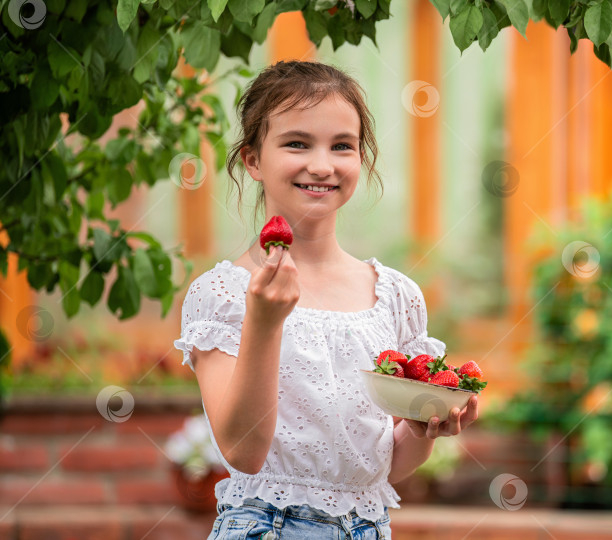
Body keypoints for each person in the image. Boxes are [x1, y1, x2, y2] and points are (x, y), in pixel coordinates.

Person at [173, 60, 480, 540]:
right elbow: (244, 452)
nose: (322, 165)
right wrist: (265, 322)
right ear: (253, 160)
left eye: (342, 146)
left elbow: (383, 468)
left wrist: (423, 428)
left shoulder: (395, 295)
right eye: (297, 143)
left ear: (361, 159)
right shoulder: (223, 294)